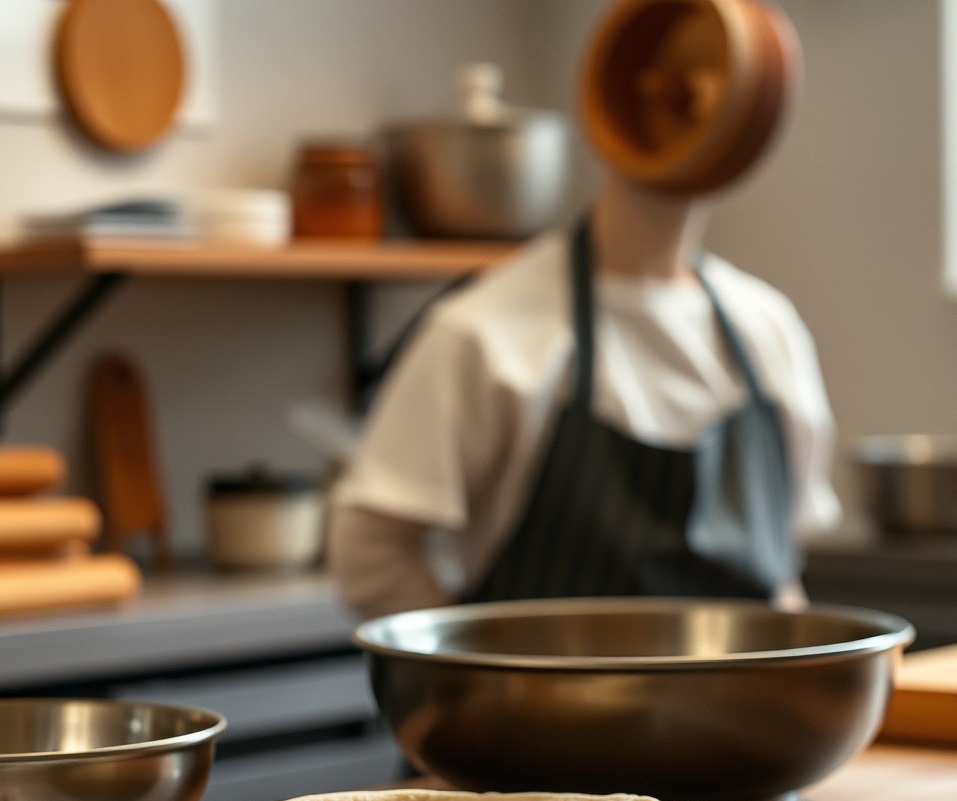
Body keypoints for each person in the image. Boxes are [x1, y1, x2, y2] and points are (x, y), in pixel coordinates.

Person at [327, 0, 840, 619]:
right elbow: (370, 552)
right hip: (539, 719)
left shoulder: (769, 333)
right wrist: (480, 682)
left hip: (748, 718)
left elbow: (784, 574)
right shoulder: (485, 334)